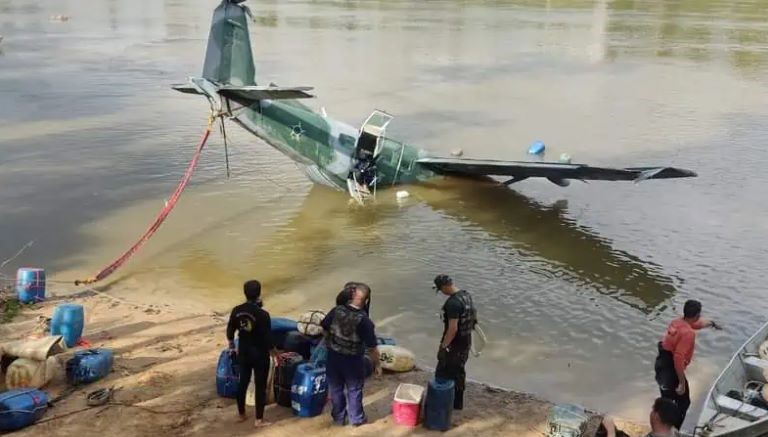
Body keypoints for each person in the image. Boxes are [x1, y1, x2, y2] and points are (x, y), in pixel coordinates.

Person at [321, 284, 382, 426]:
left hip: (333, 356)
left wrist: (331, 342)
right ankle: (356, 419)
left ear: (352, 295)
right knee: (354, 389)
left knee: (335, 388)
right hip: (353, 360)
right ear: (366, 301)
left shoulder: (337, 310)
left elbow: (324, 327)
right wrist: (377, 365)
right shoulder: (365, 321)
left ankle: (338, 418)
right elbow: (372, 348)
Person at [654, 299, 721, 428]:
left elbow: (695, 324)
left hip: (661, 364)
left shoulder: (677, 322)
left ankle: (663, 428)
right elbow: (678, 359)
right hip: (671, 370)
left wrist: (711, 323)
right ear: (697, 316)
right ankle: (674, 431)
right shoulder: (688, 334)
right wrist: (682, 383)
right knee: (683, 403)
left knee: (667, 402)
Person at [226, 280, 276, 428]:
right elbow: (267, 338)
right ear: (259, 294)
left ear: (245, 293)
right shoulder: (263, 314)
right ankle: (259, 420)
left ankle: (241, 414)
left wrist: (231, 346)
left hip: (244, 352)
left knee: (243, 382)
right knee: (260, 386)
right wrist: (274, 352)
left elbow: (230, 331)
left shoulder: (236, 310)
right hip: (260, 354)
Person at [433, 274, 477, 410]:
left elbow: (453, 329)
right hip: (466, 341)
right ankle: (458, 403)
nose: (441, 292)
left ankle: (443, 401)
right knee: (459, 371)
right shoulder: (466, 295)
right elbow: (473, 318)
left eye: (441, 289)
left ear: (445, 286)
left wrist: (444, 346)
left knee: (442, 371)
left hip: (454, 344)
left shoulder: (453, 303)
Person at [597, 397, 680, 437]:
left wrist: (610, 431)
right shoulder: (673, 431)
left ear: (657, 416)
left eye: (653, 410)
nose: (650, 412)